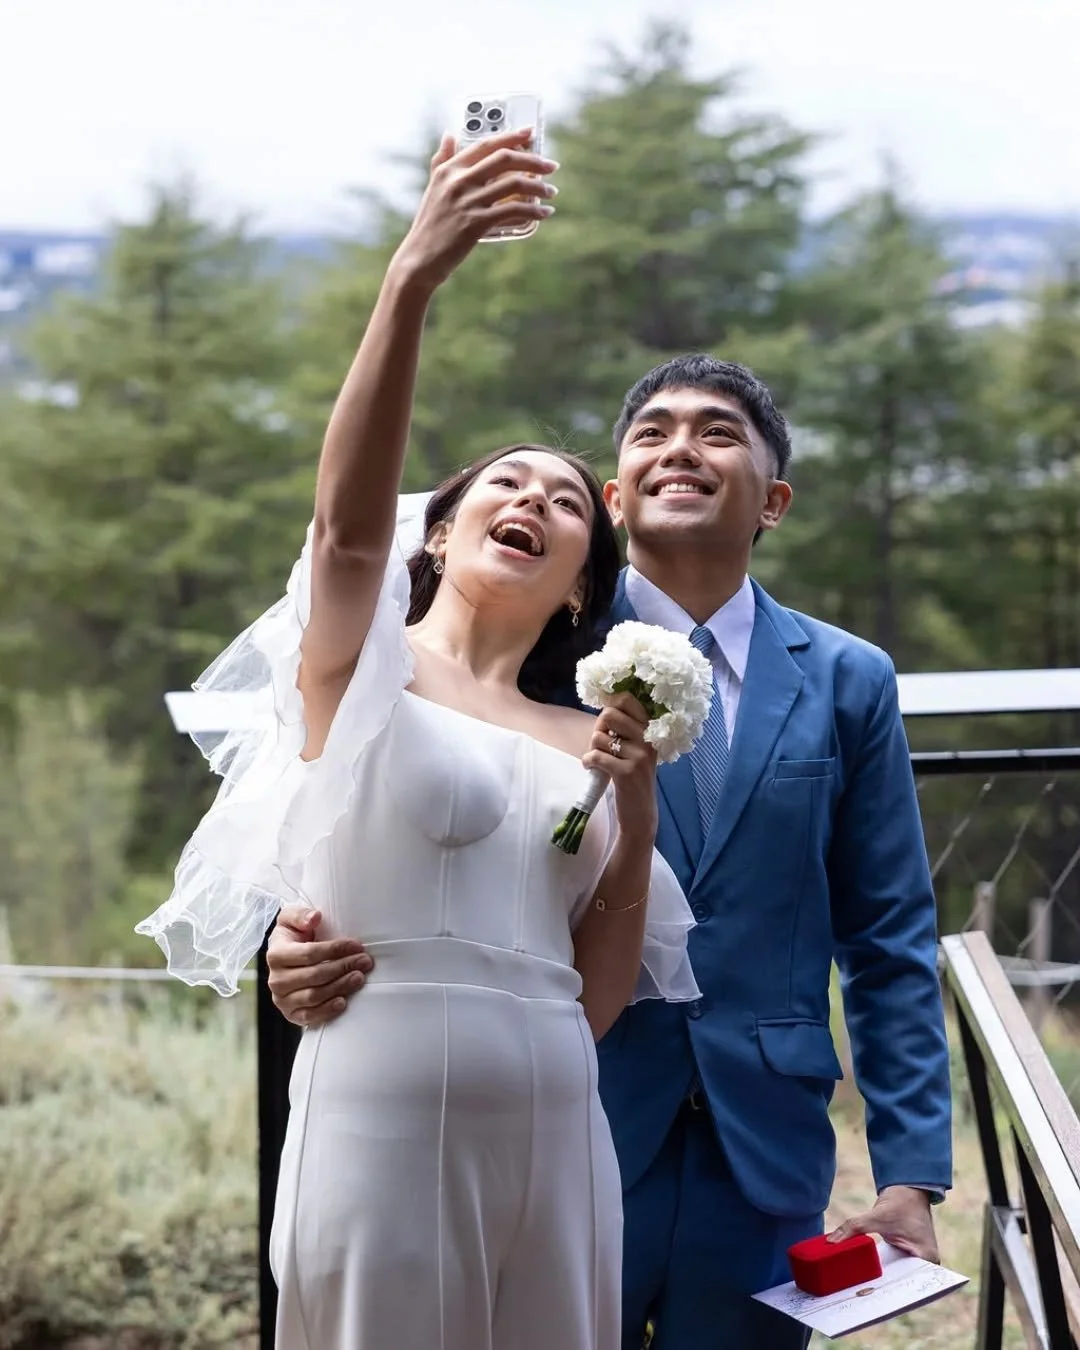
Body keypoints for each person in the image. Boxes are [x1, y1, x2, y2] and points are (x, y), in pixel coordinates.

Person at [136, 127, 703, 1350]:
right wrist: (414, 278)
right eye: (506, 483)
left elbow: (599, 999)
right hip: (382, 1099)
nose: (537, 503)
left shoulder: (587, 732)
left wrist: (637, 800)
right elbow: (343, 530)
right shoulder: (364, 674)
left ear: (575, 590)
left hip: (556, 1115)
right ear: (437, 536)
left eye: (565, 504)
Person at [269, 343, 954, 1348]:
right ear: (616, 499)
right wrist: (293, 942)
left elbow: (890, 933)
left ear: (775, 500)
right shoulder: (534, 643)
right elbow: (380, 797)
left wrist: (909, 1174)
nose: (682, 449)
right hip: (561, 1110)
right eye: (652, 434)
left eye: (719, 435)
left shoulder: (852, 679)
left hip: (760, 1147)